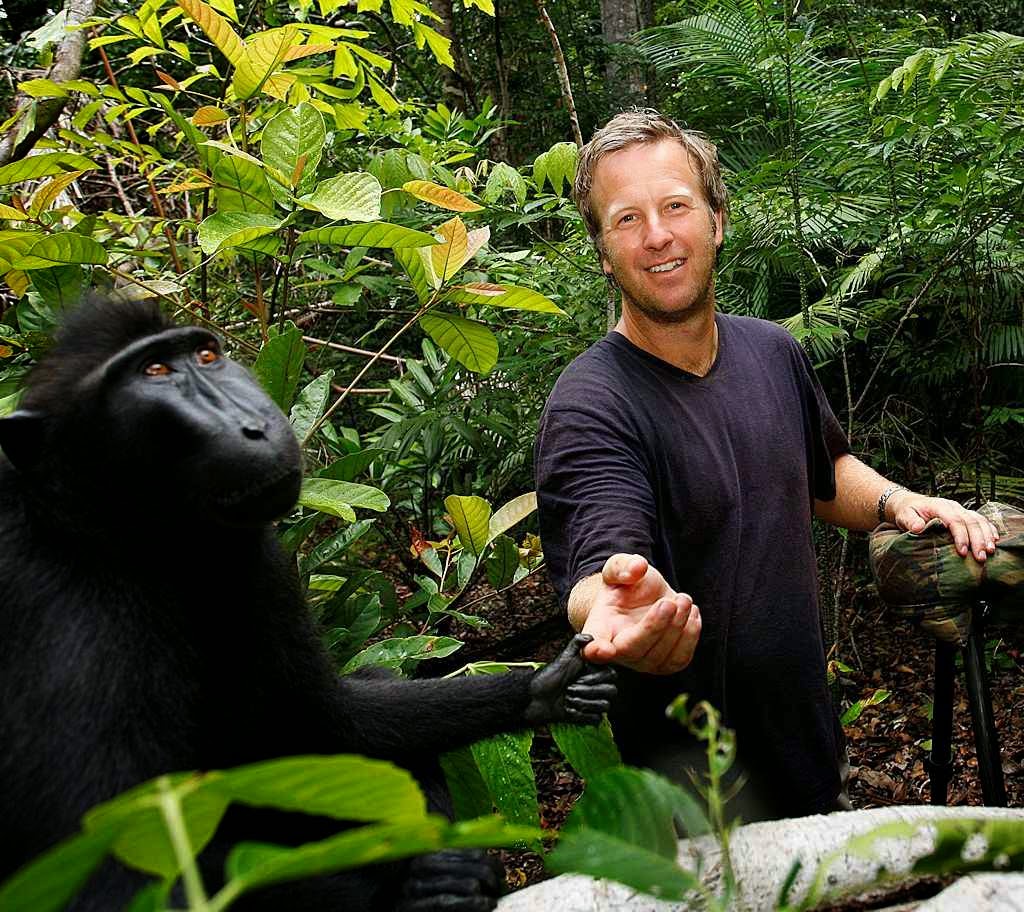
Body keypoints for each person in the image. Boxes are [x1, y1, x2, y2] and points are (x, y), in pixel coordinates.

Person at [534, 109, 1000, 818]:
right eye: (626, 219)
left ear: (717, 220)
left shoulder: (771, 352)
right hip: (690, 802)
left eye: (675, 207)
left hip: (806, 755)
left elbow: (820, 469)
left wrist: (898, 501)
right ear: (602, 250)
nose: (657, 235)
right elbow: (601, 559)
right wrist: (614, 609)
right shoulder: (591, 404)